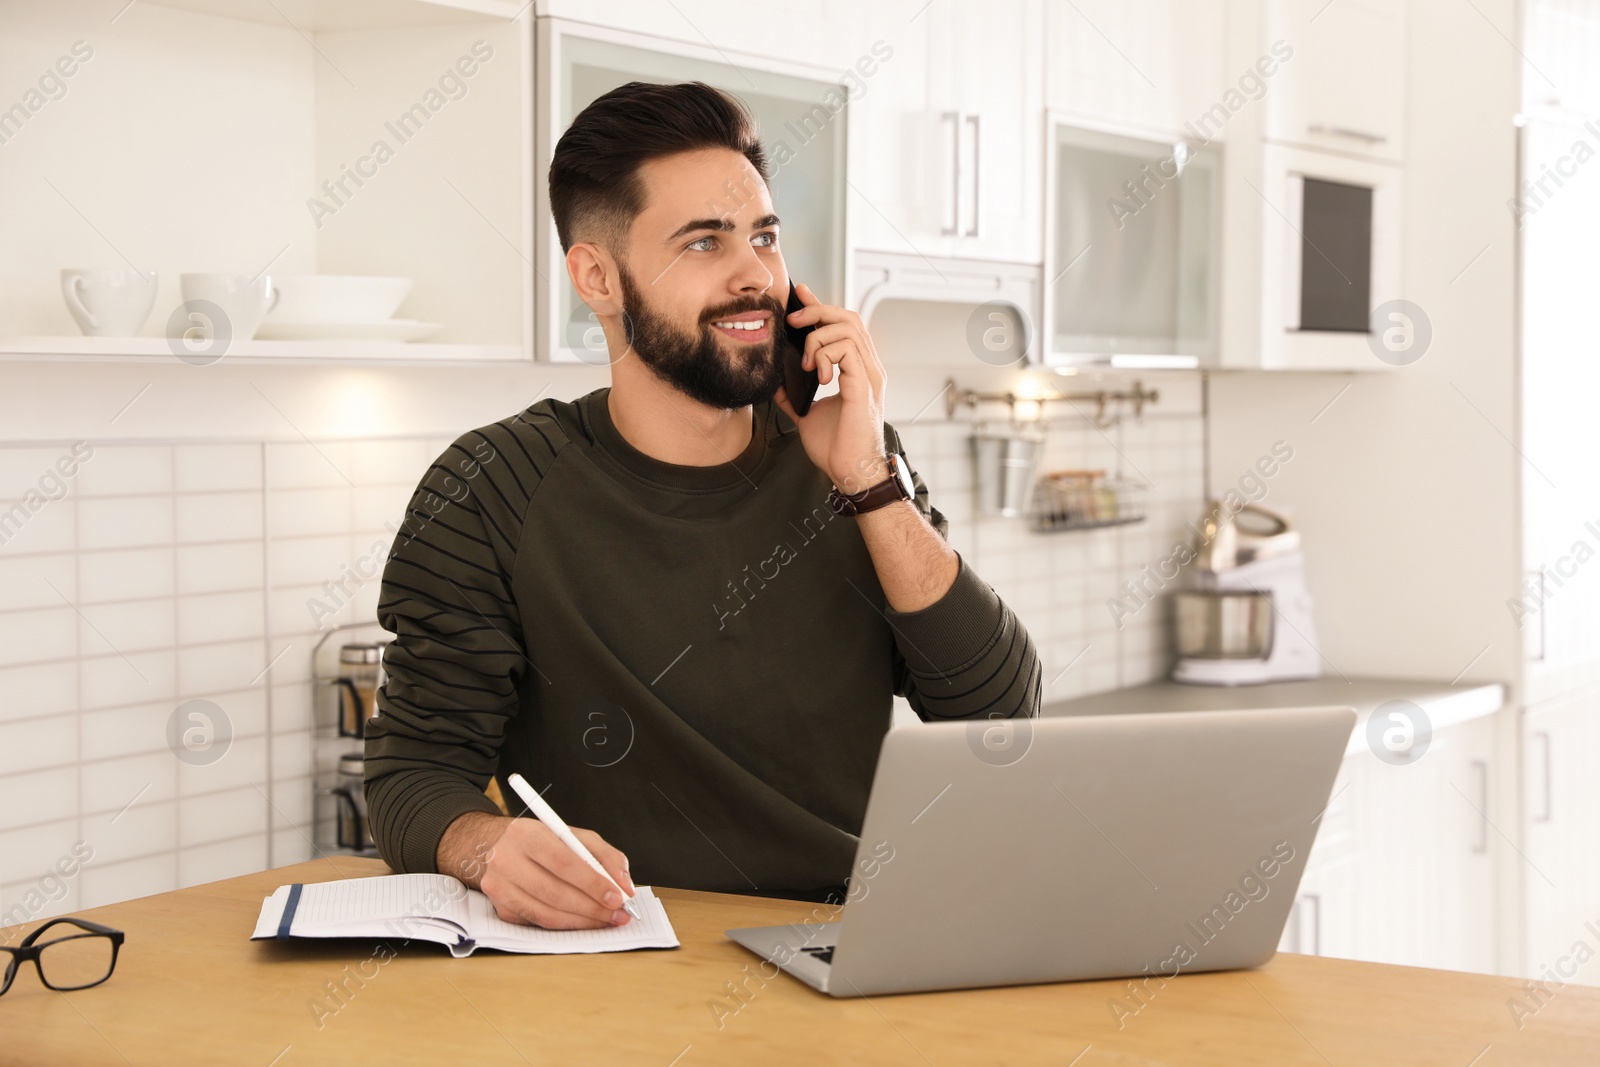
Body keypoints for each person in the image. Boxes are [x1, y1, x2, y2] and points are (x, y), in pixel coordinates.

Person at [364, 80, 1039, 931]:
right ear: (598, 277)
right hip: (617, 960)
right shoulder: (488, 489)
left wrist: (868, 478)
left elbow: (1000, 719)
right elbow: (412, 775)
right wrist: (486, 845)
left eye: (764, 236)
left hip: (841, 948)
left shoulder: (852, 463)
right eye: (705, 243)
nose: (756, 275)